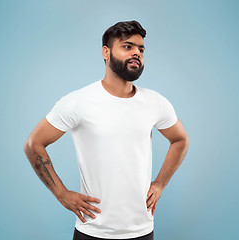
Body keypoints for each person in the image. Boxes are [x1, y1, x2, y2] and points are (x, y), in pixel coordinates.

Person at [23, 20, 189, 240]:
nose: (137, 53)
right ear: (106, 52)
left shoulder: (155, 102)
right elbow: (34, 144)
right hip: (92, 230)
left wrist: (159, 184)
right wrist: (61, 194)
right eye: (127, 46)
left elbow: (180, 140)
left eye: (141, 49)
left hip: (142, 230)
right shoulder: (78, 102)